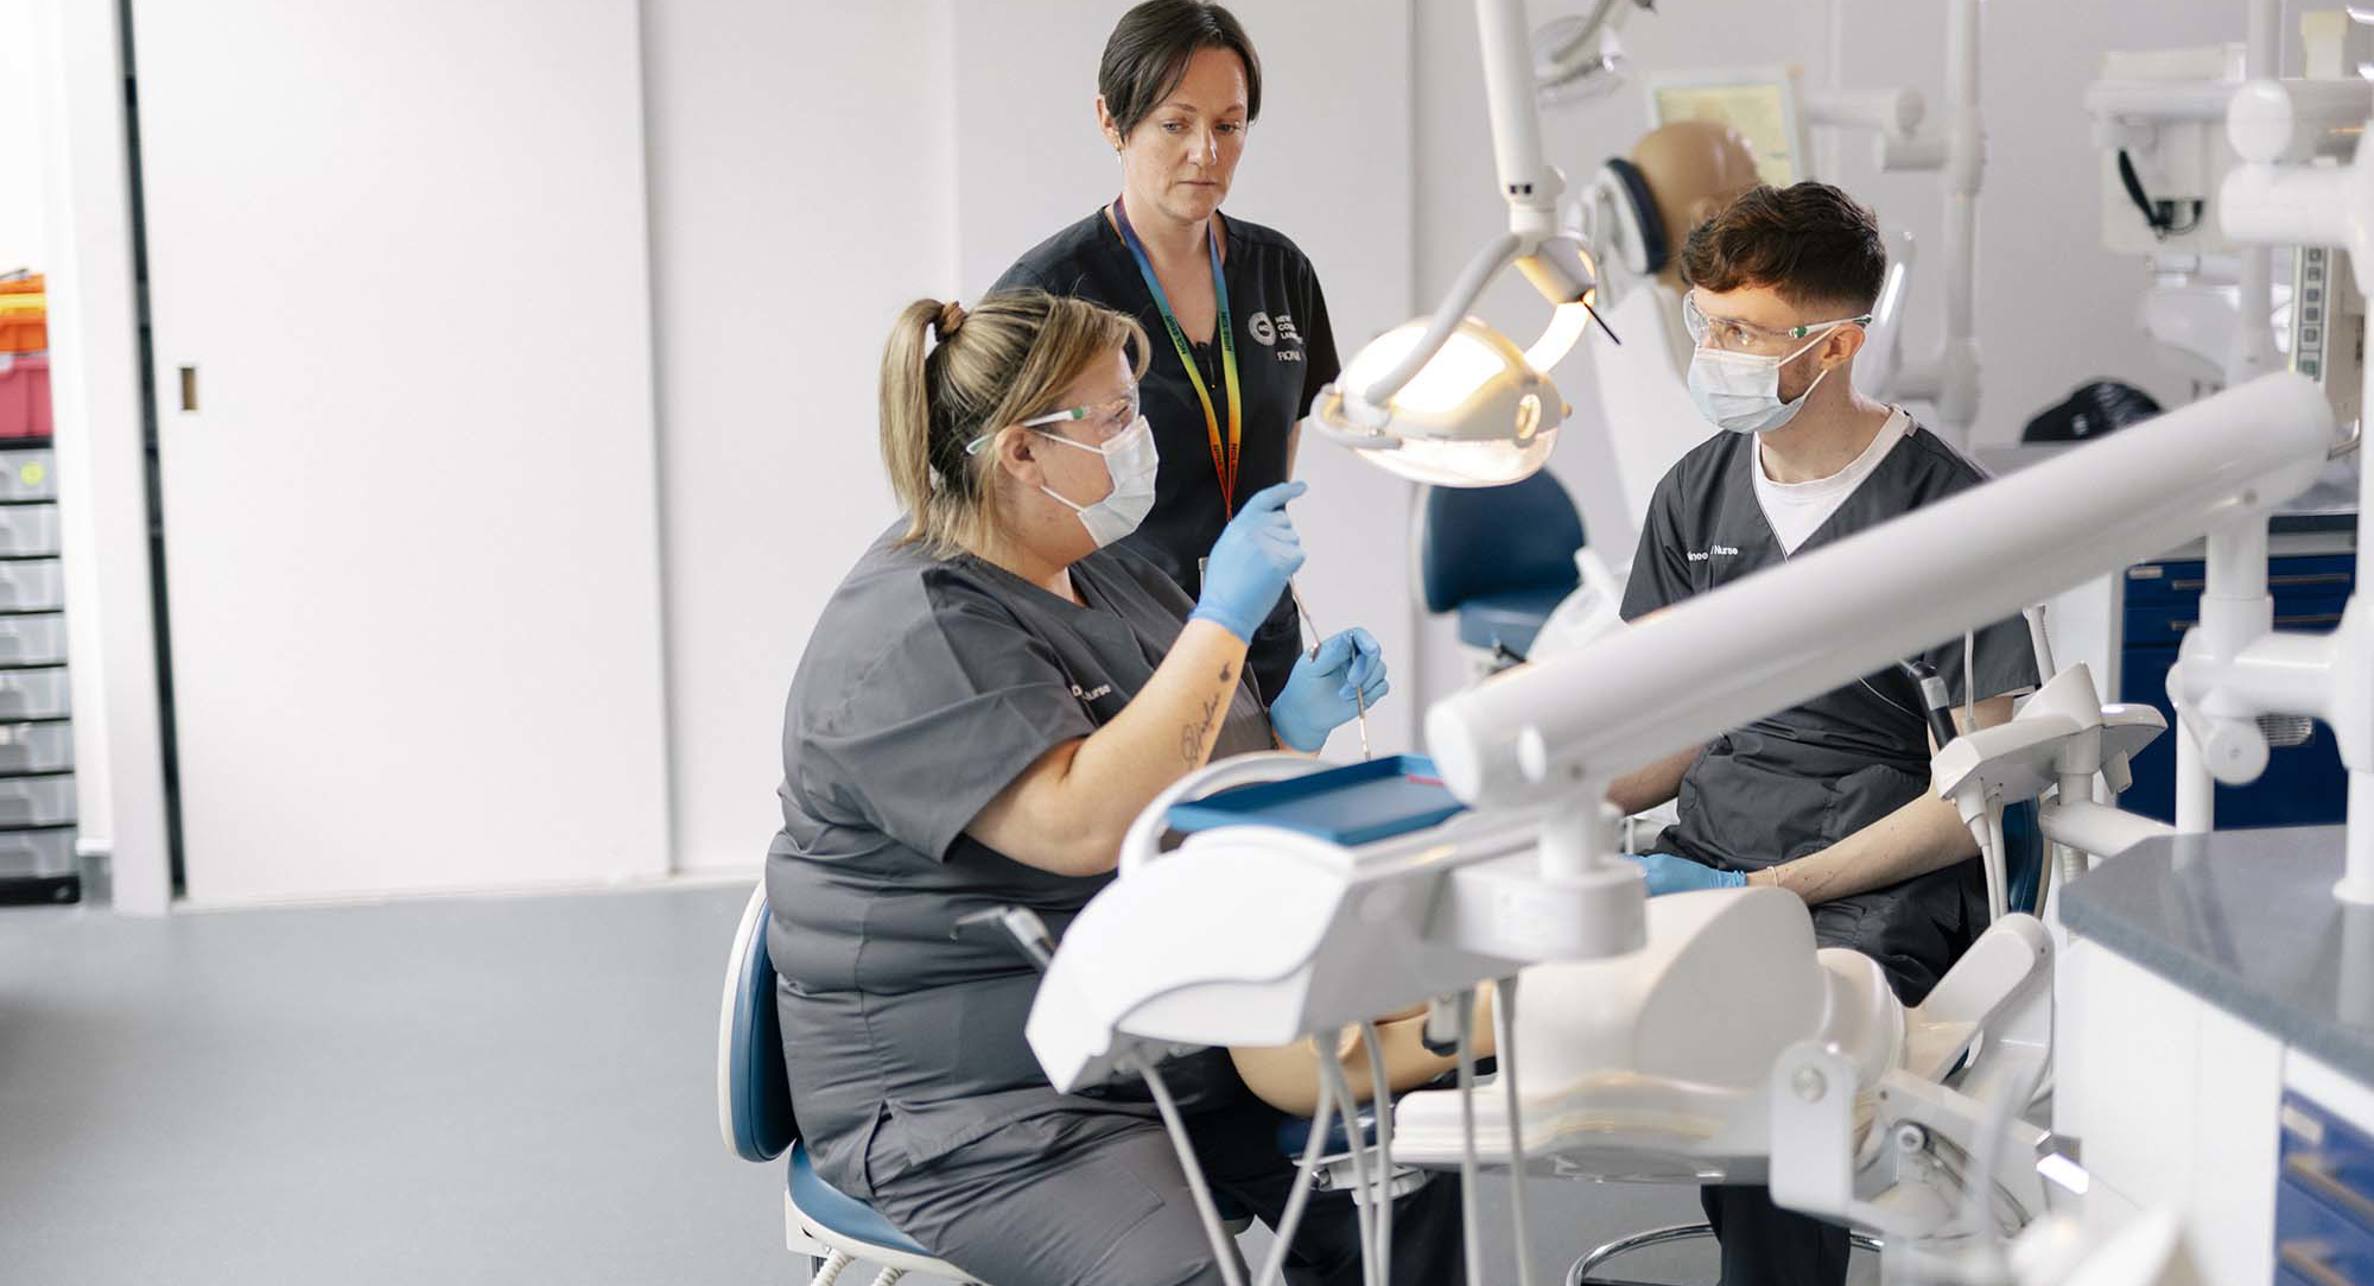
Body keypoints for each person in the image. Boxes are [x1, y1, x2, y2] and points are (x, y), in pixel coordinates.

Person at [766, 289, 1459, 1286]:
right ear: (1021, 451)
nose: (1142, 439)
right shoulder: (915, 631)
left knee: (1409, 1172)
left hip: (1169, 1021)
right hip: (980, 1096)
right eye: (1117, 416)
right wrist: (1225, 621)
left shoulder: (1100, 564)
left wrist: (1287, 725)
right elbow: (1084, 823)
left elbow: (1177, 762)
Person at [1607, 183, 2040, 1285]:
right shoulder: (1694, 494)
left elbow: (1974, 799)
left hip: (1874, 887)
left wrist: (1778, 887)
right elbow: (1665, 729)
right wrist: (1534, 796)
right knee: (1484, 1018)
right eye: (1706, 324)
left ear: (1836, 344)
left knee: (1778, 1079)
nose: (1712, 354)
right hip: (1707, 861)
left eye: (1744, 334)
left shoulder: (1947, 516)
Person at [992, 0, 1337, 706]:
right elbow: (1001, 498)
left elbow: (1283, 433)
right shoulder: (1050, 293)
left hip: (1262, 638)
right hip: (1124, 649)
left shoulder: (1280, 272)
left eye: (1228, 126)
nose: (1206, 153)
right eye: (1175, 124)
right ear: (1111, 121)